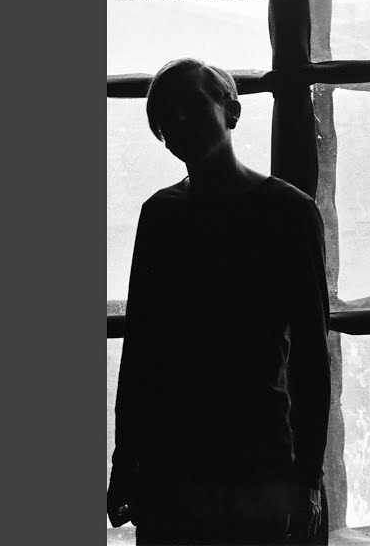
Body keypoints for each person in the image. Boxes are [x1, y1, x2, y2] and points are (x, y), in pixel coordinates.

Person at [106, 58, 331, 545]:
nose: (177, 120)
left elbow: (312, 356)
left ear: (232, 111)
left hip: (232, 457)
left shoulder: (283, 213)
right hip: (218, 453)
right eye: (164, 114)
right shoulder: (282, 210)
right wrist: (125, 461)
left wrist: (308, 476)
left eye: (190, 104)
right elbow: (142, 349)